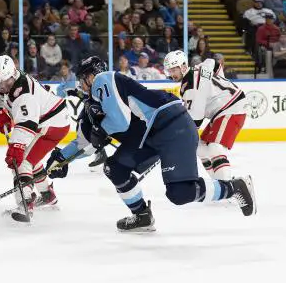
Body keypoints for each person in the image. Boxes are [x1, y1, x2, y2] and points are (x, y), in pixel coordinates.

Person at [46, 57, 256, 232]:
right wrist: (62, 158)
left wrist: (101, 132)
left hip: (172, 124)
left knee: (180, 193)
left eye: (82, 80)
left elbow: (119, 122)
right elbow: (85, 142)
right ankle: (142, 216)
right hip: (150, 136)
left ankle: (234, 187)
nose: (80, 86)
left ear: (91, 76)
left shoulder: (104, 79)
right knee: (115, 168)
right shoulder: (93, 103)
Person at [0, 55, 70, 221]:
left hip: (52, 123)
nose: (3, 87)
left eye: (7, 83)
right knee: (31, 158)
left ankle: (24, 203)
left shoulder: (25, 91)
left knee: (21, 162)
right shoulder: (1, 82)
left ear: (13, 75)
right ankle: (47, 194)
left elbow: (27, 125)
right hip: (42, 122)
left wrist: (16, 147)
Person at [164, 50, 247, 180]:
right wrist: (219, 85)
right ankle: (219, 184)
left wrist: (178, 136)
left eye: (174, 70)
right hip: (221, 110)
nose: (172, 74)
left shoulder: (190, 86)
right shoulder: (198, 68)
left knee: (215, 148)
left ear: (184, 67)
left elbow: (195, 121)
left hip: (231, 106)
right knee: (199, 147)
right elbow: (214, 63)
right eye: (170, 71)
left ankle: (230, 188)